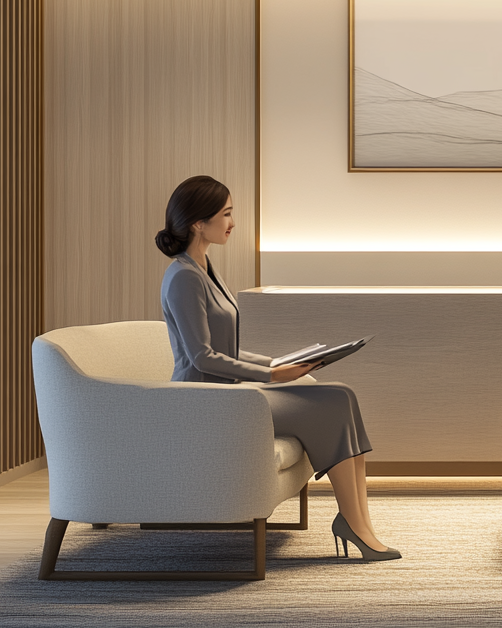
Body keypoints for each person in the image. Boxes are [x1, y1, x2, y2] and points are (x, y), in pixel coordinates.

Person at [157, 175, 401, 562]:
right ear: (197, 223)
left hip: (233, 390)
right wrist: (272, 375)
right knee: (331, 403)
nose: (232, 222)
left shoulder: (205, 268)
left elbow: (228, 349)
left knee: (342, 395)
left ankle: (360, 524)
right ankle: (354, 526)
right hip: (207, 401)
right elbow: (202, 357)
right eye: (226, 214)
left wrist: (279, 362)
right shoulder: (184, 277)